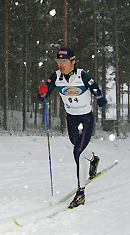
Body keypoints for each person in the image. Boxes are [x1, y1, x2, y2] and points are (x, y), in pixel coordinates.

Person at [38, 47, 107, 209]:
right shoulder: (55, 76)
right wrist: (42, 93)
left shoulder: (81, 75)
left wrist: (100, 98)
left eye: (64, 61)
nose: (61, 64)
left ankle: (81, 193)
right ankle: (93, 159)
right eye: (59, 61)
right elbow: (43, 96)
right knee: (78, 147)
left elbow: (94, 86)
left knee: (77, 152)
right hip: (71, 118)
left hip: (86, 117)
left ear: (73, 61)